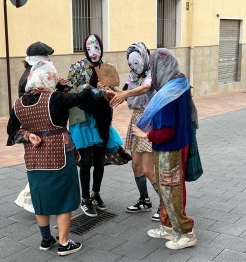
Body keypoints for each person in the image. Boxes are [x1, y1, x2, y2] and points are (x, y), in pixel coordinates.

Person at [7, 60, 114, 256]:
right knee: (64, 197)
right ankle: (64, 243)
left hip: (34, 158)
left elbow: (12, 132)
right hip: (59, 155)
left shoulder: (17, 104)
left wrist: (27, 136)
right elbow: (82, 96)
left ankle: (46, 239)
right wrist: (99, 90)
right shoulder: (54, 99)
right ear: (48, 78)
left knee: (40, 197)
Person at [132, 48, 197, 250]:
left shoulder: (168, 94)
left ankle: (186, 232)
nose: (152, 72)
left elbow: (167, 131)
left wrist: (146, 134)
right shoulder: (180, 83)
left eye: (152, 67)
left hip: (170, 148)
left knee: (170, 191)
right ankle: (169, 226)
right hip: (175, 145)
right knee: (167, 188)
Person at [67, 34, 123, 217]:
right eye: (90, 48)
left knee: (99, 162)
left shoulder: (107, 69)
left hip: (100, 121)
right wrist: (90, 88)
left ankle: (95, 194)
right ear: (84, 49)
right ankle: (85, 199)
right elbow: (71, 91)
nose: (93, 52)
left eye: (97, 47)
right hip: (83, 121)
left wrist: (109, 92)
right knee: (86, 161)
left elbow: (115, 94)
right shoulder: (76, 68)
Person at [115, 42, 160, 221]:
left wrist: (125, 95)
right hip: (136, 119)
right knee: (136, 165)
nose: (135, 66)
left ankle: (165, 204)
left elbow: (146, 87)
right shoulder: (132, 76)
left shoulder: (152, 73)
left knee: (149, 169)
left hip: (150, 119)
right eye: (131, 63)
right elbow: (123, 91)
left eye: (137, 62)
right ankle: (144, 200)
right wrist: (109, 91)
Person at [15, 41, 55, 213]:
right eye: (46, 57)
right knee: (41, 166)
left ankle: (37, 199)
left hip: (37, 127)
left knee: (42, 165)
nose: (48, 60)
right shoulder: (31, 77)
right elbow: (31, 104)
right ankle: (30, 200)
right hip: (37, 128)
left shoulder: (32, 73)